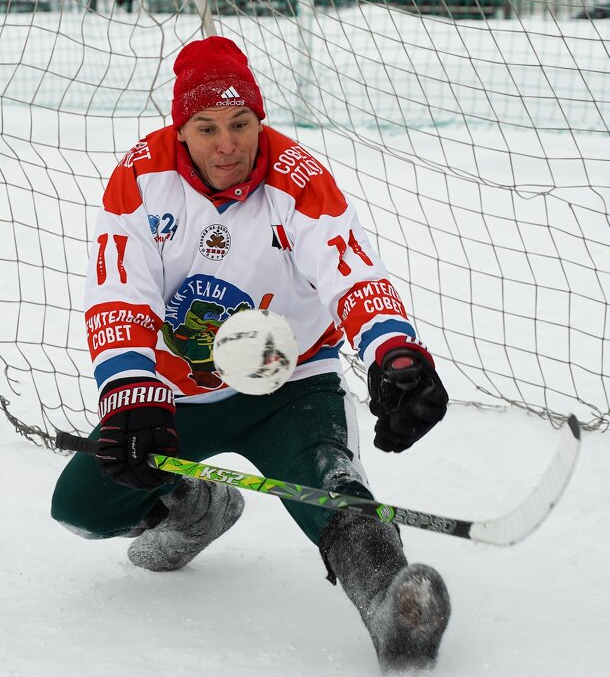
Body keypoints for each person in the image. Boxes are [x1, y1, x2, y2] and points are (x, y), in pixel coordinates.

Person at [51, 36, 451, 672]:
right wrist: (130, 388)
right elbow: (119, 292)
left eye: (241, 124)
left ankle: (392, 603)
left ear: (259, 121)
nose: (227, 144)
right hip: (179, 392)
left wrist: (394, 351)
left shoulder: (299, 178)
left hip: (292, 385)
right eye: (206, 128)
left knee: (332, 484)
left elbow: (350, 272)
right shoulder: (139, 177)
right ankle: (197, 509)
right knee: (79, 507)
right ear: (181, 129)